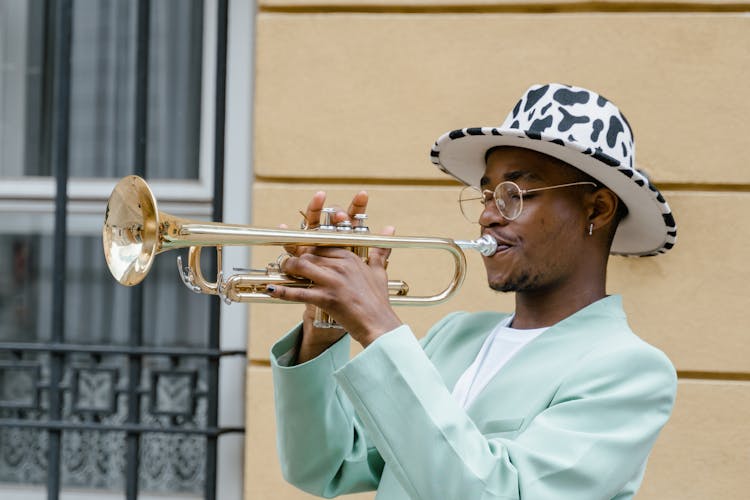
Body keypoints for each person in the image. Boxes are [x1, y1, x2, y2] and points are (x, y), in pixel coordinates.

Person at [265, 83, 678, 499]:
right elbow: (325, 466)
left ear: (598, 208)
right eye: (486, 194)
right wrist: (325, 328)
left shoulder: (629, 370)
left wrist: (377, 326)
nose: (486, 216)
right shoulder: (455, 336)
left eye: (514, 195)